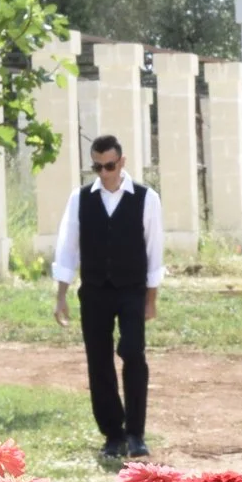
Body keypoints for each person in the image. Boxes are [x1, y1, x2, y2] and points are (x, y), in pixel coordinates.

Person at [51, 134, 163, 459]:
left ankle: (136, 433)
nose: (104, 173)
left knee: (132, 353)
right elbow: (68, 247)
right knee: (99, 363)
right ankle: (113, 435)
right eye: (98, 167)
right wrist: (61, 295)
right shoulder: (80, 198)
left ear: (122, 162)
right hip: (96, 290)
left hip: (131, 288)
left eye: (110, 166)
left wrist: (151, 299)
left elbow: (154, 250)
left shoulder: (146, 198)